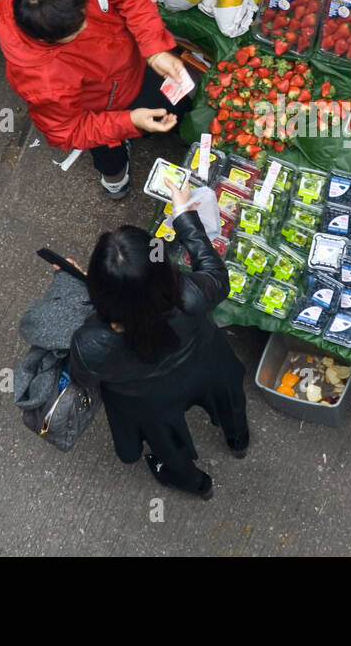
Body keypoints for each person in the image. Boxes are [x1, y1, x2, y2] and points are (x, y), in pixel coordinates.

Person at [57, 180, 247, 499]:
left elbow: (84, 380)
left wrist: (66, 287)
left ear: (99, 293)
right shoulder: (192, 293)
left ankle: (196, 484)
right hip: (207, 365)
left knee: (166, 446)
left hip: (147, 400)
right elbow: (216, 273)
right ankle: (238, 440)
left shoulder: (89, 342)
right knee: (230, 402)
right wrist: (184, 214)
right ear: (163, 271)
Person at [0, 0, 193, 198]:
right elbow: (68, 130)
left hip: (136, 64)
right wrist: (128, 122)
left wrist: (154, 49)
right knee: (109, 155)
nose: (88, 25)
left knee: (176, 104)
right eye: (76, 31)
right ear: (47, 41)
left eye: (84, 12)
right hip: (103, 109)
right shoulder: (42, 81)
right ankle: (115, 181)